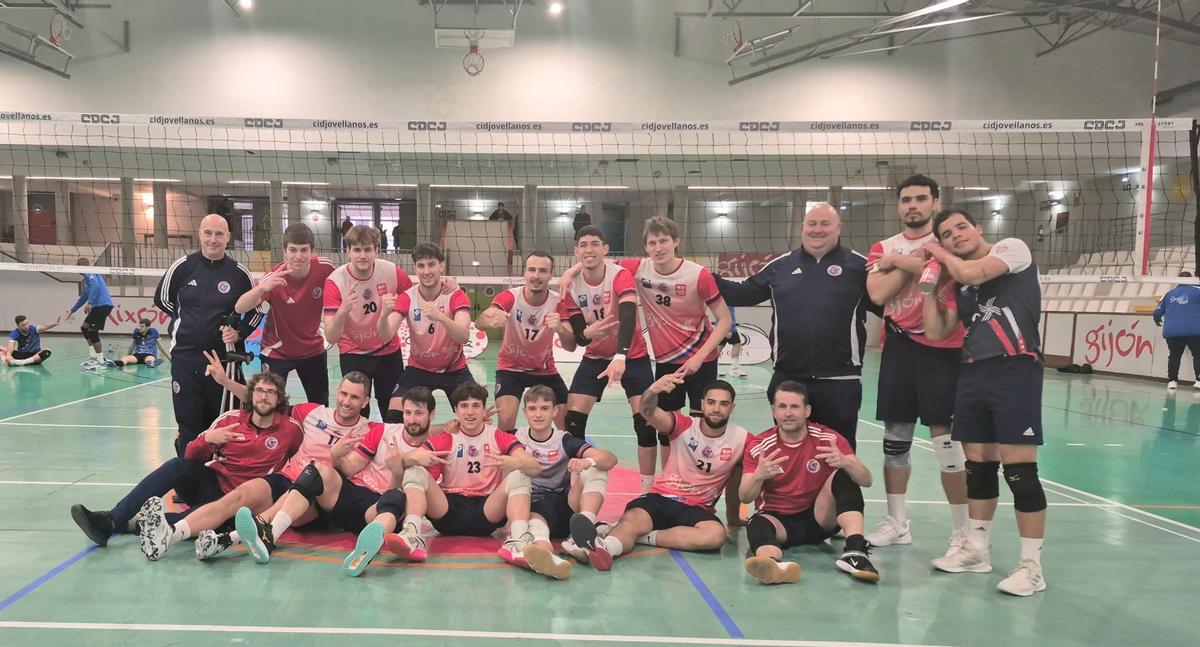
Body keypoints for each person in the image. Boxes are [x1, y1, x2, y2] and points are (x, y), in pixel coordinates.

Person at [921, 207, 1048, 597]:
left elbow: (973, 271)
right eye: (946, 234)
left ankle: (1032, 567)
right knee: (978, 468)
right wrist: (928, 290)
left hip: (1015, 368)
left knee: (1020, 472)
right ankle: (977, 549)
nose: (956, 235)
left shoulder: (1012, 249)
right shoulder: (962, 287)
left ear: (978, 228)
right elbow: (937, 329)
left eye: (961, 227)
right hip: (974, 372)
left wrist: (938, 255)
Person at [68, 372, 300, 556]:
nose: (264, 396)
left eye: (271, 392)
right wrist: (207, 440)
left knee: (208, 524)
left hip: (242, 502)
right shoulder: (230, 419)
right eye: (259, 391)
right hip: (212, 485)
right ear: (251, 395)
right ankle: (111, 519)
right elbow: (191, 456)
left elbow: (298, 461)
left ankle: (133, 524)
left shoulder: (290, 430)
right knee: (179, 465)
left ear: (279, 399)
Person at [164, 369, 380, 562]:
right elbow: (265, 403)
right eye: (343, 394)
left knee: (296, 490)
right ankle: (172, 534)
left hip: (315, 498)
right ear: (337, 392)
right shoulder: (312, 412)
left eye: (354, 397)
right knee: (236, 498)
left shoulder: (370, 431)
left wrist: (337, 457)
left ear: (365, 401)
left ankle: (226, 540)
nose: (346, 401)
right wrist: (226, 382)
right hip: (285, 479)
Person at [863, 175, 969, 556]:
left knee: (947, 442)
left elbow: (952, 270)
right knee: (895, 440)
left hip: (943, 348)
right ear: (898, 206)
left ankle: (963, 532)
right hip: (900, 348)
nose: (913, 205)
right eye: (906, 199)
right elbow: (877, 293)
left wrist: (900, 263)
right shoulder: (884, 247)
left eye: (921, 199)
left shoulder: (952, 240)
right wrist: (913, 260)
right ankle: (897, 523)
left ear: (935, 202)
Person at [714, 203, 873, 449]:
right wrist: (700, 276)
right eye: (812, 223)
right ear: (802, 228)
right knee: (788, 451)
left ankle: (838, 489)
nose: (817, 229)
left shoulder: (859, 267)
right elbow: (742, 294)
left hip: (840, 379)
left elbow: (889, 305)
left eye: (824, 223)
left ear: (838, 228)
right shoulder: (782, 265)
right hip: (788, 376)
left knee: (839, 452)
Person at [232, 387, 436, 576]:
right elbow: (349, 468)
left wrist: (396, 470)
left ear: (431, 416)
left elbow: (414, 497)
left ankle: (364, 553)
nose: (412, 419)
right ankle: (271, 535)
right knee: (318, 470)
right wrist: (336, 456)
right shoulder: (383, 431)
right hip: (352, 494)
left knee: (396, 496)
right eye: (408, 413)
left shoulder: (436, 449)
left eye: (418, 413)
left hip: (377, 509)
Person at [568, 376, 747, 571]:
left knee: (715, 536)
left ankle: (642, 536)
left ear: (732, 408)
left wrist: (734, 516)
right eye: (711, 402)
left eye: (723, 404)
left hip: (698, 508)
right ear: (702, 405)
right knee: (631, 521)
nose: (716, 409)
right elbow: (648, 411)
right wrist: (652, 392)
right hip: (660, 498)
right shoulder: (683, 425)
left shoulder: (742, 438)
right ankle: (605, 550)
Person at [740, 380, 879, 585]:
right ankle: (773, 565)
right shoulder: (760, 445)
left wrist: (846, 463)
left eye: (795, 407)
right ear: (774, 410)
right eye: (782, 406)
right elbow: (744, 496)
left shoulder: (827, 438)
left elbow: (866, 480)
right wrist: (759, 475)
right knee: (756, 524)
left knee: (844, 474)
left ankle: (855, 551)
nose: (788, 413)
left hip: (820, 517)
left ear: (807, 410)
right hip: (779, 523)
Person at [395, 382, 543, 569]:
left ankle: (519, 541)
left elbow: (535, 467)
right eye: (464, 406)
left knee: (521, 474)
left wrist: (516, 463)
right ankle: (411, 535)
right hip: (447, 511)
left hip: (486, 511)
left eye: (475, 406)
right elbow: (404, 460)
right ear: (456, 410)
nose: (470, 412)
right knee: (414, 469)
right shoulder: (446, 438)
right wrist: (416, 458)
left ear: (483, 410)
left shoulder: (498, 436)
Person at [558, 226, 656, 492]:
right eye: (583, 245)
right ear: (576, 251)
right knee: (573, 420)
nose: (588, 249)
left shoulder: (619, 275)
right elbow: (580, 338)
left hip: (632, 356)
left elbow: (627, 316)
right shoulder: (570, 286)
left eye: (594, 244)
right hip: (595, 357)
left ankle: (647, 491)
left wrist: (621, 356)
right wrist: (587, 333)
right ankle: (574, 483)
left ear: (605, 249)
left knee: (645, 424)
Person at [155, 214, 261, 456]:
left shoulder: (238, 273)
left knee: (226, 423)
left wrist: (238, 333)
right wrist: (190, 323)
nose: (213, 239)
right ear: (200, 234)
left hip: (224, 363)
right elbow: (162, 299)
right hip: (185, 359)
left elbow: (255, 314)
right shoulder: (183, 267)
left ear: (228, 238)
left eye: (219, 234)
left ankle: (223, 477)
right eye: (208, 233)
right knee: (188, 424)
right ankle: (188, 482)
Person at [515, 386, 618, 580]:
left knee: (597, 468)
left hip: (566, 509)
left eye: (544, 408)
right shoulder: (515, 437)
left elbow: (610, 458)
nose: (538, 414)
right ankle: (548, 557)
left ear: (555, 412)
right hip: (534, 509)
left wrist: (587, 461)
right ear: (524, 412)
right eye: (532, 409)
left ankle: (582, 533)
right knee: (534, 519)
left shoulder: (564, 440)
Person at [235, 223, 335, 406]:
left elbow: (343, 287)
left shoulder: (325, 268)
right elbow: (240, 307)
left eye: (304, 250)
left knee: (321, 406)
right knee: (269, 406)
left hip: (312, 350)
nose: (298, 256)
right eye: (293, 250)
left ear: (312, 251)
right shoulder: (274, 276)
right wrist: (262, 288)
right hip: (277, 352)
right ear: (285, 251)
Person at [476, 250, 574, 433]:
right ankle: (508, 459)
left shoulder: (558, 302)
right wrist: (490, 320)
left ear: (551, 275)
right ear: (524, 272)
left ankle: (562, 458)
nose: (536, 276)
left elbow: (570, 346)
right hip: (510, 368)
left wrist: (560, 329)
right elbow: (480, 323)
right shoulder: (510, 297)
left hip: (544, 370)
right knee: (505, 421)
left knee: (567, 423)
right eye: (532, 270)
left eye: (543, 271)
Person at [323, 225, 413, 419]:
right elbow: (330, 336)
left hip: (388, 352)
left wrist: (396, 312)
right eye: (356, 250)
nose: (362, 255)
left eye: (367, 249)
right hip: (353, 353)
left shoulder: (391, 272)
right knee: (356, 413)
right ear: (347, 252)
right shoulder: (335, 281)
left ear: (377, 251)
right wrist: (342, 310)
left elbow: (413, 296)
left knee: (393, 413)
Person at [378, 243, 475, 420]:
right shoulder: (407, 297)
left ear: (441, 266)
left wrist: (441, 317)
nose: (426, 271)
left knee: (477, 416)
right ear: (415, 268)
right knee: (393, 416)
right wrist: (383, 316)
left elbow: (464, 335)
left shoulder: (455, 295)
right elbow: (384, 335)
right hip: (419, 369)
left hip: (454, 369)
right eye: (421, 266)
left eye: (431, 264)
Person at [1153, 271, 1200, 390]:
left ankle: (1172, 381)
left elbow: (1157, 312)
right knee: (1198, 355)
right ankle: (1199, 380)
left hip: (1173, 331)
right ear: (1192, 279)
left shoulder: (1169, 294)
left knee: (1174, 356)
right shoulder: (1198, 290)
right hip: (1194, 330)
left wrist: (1157, 320)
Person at [64, 258, 114, 367]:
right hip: (98, 307)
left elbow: (95, 286)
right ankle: (93, 356)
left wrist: (90, 303)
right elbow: (83, 297)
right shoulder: (86, 280)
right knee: (84, 328)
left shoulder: (90, 273)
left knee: (92, 333)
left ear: (79, 266)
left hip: (102, 306)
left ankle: (100, 361)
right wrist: (72, 311)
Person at [718, 307, 747, 378]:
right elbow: (723, 316)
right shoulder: (725, 302)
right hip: (725, 328)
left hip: (730, 328)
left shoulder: (730, 302)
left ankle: (735, 369)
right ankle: (734, 369)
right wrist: (727, 330)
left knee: (736, 344)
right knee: (719, 348)